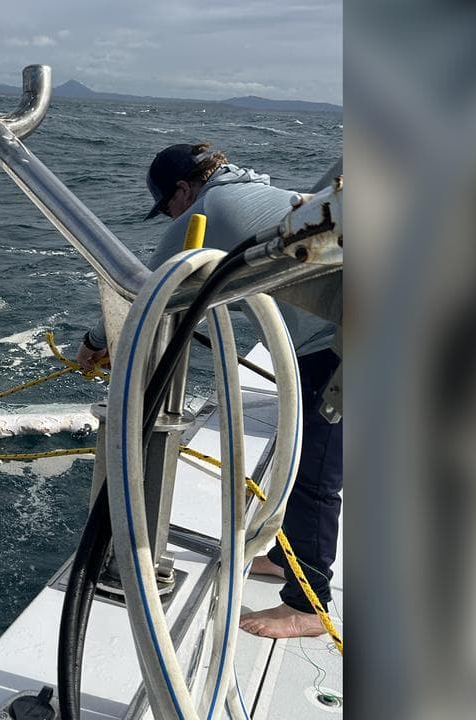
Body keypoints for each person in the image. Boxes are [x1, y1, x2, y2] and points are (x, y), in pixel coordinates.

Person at [77, 143, 342, 640]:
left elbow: (144, 293)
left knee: (314, 474)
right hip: (335, 336)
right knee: (304, 460)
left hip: (336, 346)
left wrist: (93, 344)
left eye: (167, 206)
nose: (170, 217)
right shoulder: (258, 195)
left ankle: (309, 607)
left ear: (183, 189)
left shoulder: (207, 210)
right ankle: (287, 560)